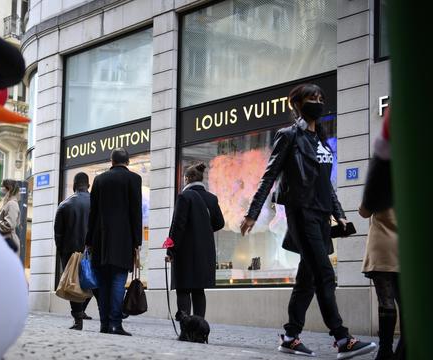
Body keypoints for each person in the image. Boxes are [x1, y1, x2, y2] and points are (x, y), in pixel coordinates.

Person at [240, 83, 376, 358]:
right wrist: (253, 212)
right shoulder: (288, 136)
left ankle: (291, 336)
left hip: (322, 216)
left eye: (320, 97)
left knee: (308, 278)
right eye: (310, 98)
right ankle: (342, 339)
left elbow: (326, 185)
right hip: (300, 212)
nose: (317, 101)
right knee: (325, 273)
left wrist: (339, 215)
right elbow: (270, 175)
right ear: (297, 105)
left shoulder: (322, 141)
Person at [359, 107, 403, 360]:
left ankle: (384, 350)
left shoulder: (383, 171)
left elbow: (365, 211)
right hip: (405, 248)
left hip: (382, 247)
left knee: (386, 302)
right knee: (405, 304)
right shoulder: (412, 173)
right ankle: (402, 351)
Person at [85, 148, 143, 336]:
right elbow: (136, 213)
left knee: (103, 283)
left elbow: (92, 214)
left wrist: (88, 241)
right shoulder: (134, 180)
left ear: (111, 161)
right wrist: (137, 241)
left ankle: (104, 324)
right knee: (118, 281)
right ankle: (115, 324)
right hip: (123, 240)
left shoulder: (99, 180)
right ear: (128, 162)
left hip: (100, 239)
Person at [166, 163, 224, 319]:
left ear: (188, 179)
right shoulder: (212, 198)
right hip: (205, 251)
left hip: (185, 251)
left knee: (184, 288)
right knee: (199, 290)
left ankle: (186, 330)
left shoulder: (184, 196)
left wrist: (170, 250)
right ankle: (199, 327)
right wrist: (203, 230)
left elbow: (178, 225)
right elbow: (220, 223)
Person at [54, 172, 94, 330]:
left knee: (73, 284)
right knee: (94, 283)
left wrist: (62, 252)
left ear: (73, 185)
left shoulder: (65, 204)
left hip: (70, 251)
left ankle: (78, 320)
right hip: (92, 251)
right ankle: (109, 321)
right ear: (88, 186)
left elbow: (58, 233)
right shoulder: (97, 203)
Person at [0, 179, 21, 255]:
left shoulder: (12, 204)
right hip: (5, 241)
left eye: (2, 186)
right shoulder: (7, 203)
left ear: (8, 188)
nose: (0, 189)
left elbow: (10, 224)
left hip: (9, 242)